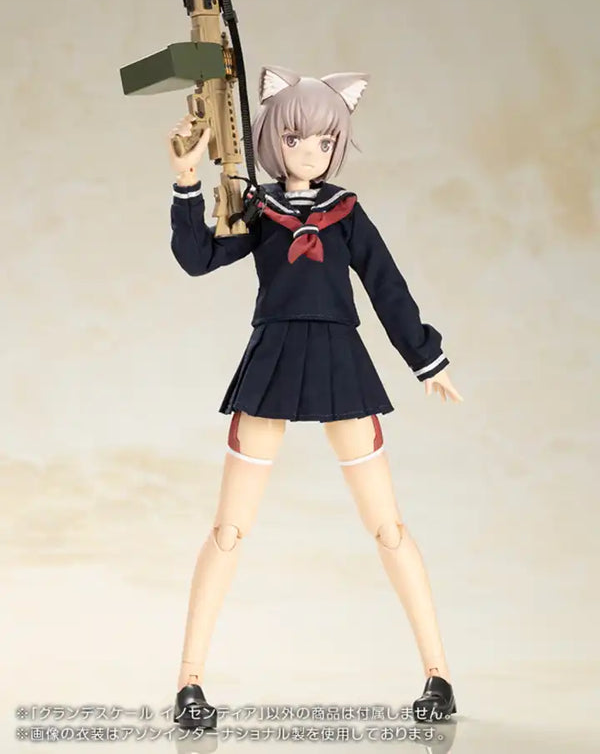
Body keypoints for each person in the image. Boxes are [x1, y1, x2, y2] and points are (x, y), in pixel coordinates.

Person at [169, 65, 463, 729]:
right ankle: (189, 680)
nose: (311, 151)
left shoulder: (346, 213)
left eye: (326, 141)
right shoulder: (258, 210)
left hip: (339, 361)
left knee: (387, 526)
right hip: (272, 359)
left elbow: (387, 286)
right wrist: (187, 181)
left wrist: (427, 359)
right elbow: (198, 257)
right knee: (229, 528)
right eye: (296, 138)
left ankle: (439, 674)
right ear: (273, 138)